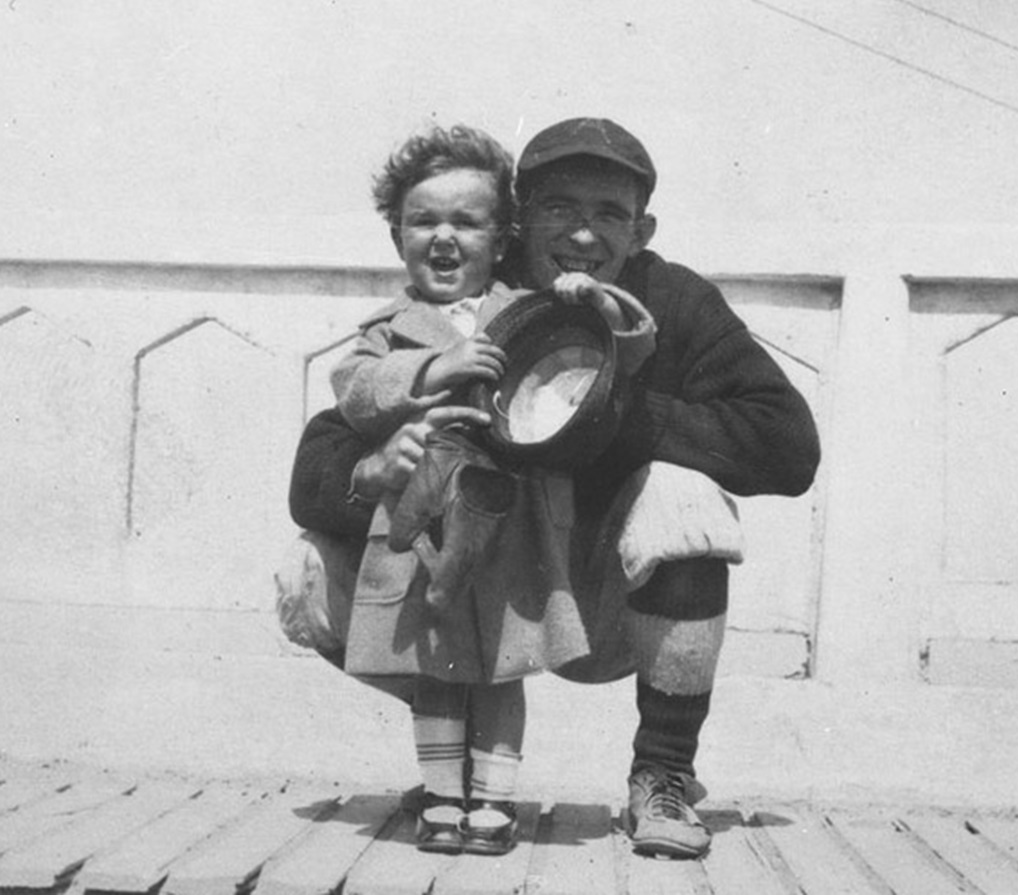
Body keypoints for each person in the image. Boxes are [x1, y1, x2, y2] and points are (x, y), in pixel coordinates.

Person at [281, 118, 820, 859]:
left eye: (608, 214)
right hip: (476, 594)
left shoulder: (667, 298)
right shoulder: (471, 296)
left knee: (683, 498)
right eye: (560, 208)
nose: (584, 236)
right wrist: (373, 469)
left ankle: (661, 774)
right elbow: (319, 459)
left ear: (641, 229)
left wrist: (604, 409)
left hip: (599, 600)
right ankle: (458, 771)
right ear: (516, 221)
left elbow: (788, 447)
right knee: (302, 574)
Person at [293, 122, 654, 856]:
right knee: (432, 661)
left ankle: (491, 799)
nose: (444, 237)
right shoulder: (389, 330)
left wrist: (598, 302)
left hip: (512, 520)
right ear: (397, 237)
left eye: (467, 220)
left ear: (502, 236)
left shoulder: (524, 307)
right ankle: (440, 795)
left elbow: (623, 354)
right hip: (421, 526)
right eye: (424, 220)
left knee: (500, 662)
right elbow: (356, 390)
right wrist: (433, 370)